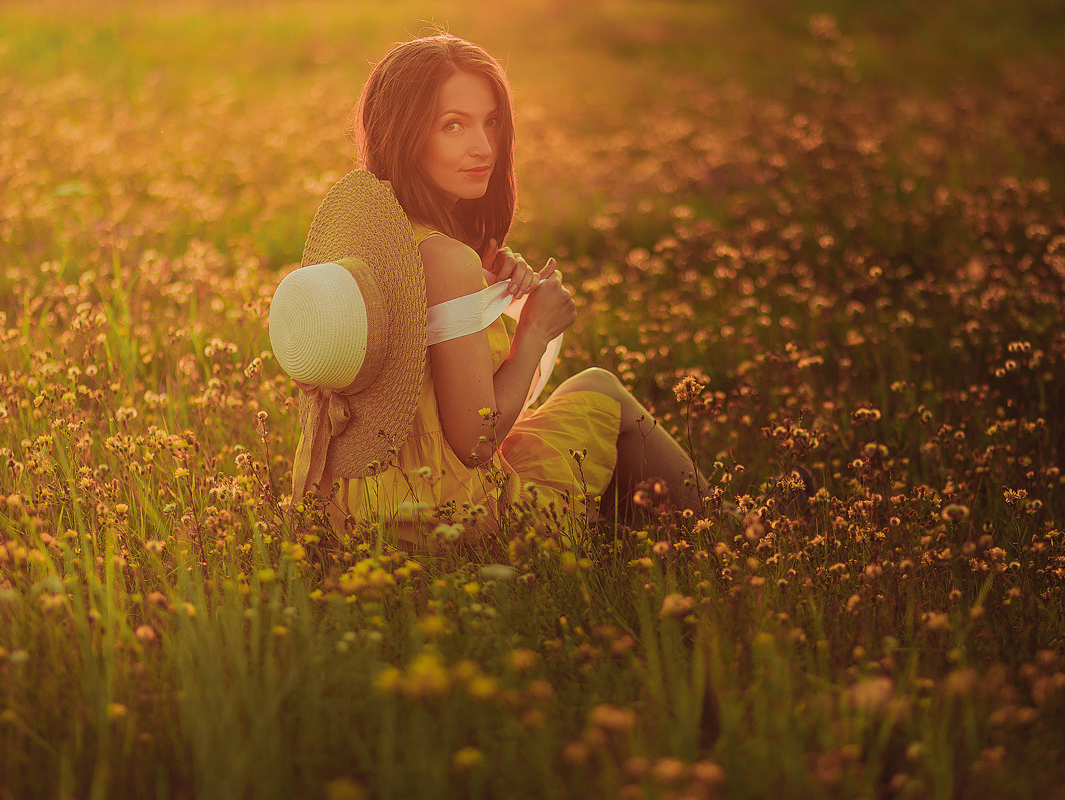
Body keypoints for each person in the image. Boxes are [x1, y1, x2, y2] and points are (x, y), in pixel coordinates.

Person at [270, 33, 802, 550]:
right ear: (405, 134)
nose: (484, 148)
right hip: (441, 514)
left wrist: (488, 290)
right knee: (600, 389)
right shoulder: (444, 260)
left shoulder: (373, 243)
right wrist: (533, 332)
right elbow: (476, 444)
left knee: (589, 429)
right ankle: (735, 536)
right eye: (452, 126)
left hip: (348, 507)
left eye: (492, 123)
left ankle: (663, 533)